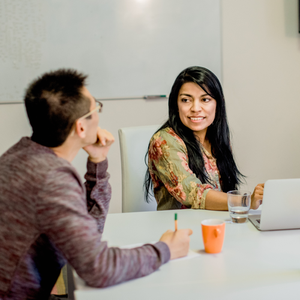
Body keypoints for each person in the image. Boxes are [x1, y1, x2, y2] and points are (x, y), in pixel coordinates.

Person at [0, 69, 193, 300]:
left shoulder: (19, 155)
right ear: (81, 127)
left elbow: (89, 230)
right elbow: (98, 269)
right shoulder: (52, 178)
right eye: (96, 108)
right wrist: (166, 249)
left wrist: (98, 161)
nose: (99, 115)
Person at [145, 66, 264, 210]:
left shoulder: (217, 139)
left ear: (218, 104)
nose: (195, 108)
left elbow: (226, 191)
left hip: (216, 225)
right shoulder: (164, 141)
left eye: (205, 99)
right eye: (186, 100)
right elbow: (193, 194)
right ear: (176, 104)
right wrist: (244, 201)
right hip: (180, 228)